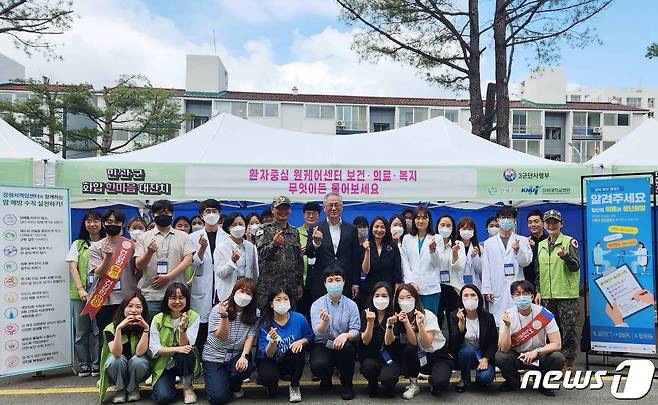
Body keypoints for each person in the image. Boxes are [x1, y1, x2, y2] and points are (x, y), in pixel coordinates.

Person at [495, 280, 565, 396]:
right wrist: (507, 326)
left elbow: (557, 344)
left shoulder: (544, 314)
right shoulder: (508, 315)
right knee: (500, 356)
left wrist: (536, 352)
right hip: (518, 356)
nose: (521, 297)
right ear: (512, 297)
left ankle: (542, 383)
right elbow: (503, 348)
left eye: (525, 293)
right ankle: (513, 382)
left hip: (538, 354)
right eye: (517, 294)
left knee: (558, 357)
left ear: (532, 296)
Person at [203, 278, 259, 405]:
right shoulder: (219, 309)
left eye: (249, 293)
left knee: (246, 366)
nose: (245, 295)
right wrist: (224, 317)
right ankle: (218, 383)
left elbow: (250, 336)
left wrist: (244, 356)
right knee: (218, 399)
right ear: (234, 291)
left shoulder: (255, 313)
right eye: (242, 291)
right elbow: (222, 337)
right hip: (214, 357)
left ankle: (234, 385)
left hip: (236, 355)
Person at [536, 209, 580, 369]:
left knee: (568, 329)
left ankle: (568, 362)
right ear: (544, 224)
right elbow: (538, 271)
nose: (551, 225)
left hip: (566, 295)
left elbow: (575, 266)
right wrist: (539, 290)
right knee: (549, 329)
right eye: (548, 222)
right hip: (547, 295)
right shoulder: (541, 245)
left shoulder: (569, 242)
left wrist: (566, 256)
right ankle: (552, 361)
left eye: (555, 222)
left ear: (561, 224)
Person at [135, 200, 195, 317]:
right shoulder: (143, 237)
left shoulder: (183, 236)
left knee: (177, 331)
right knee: (152, 331)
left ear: (173, 215)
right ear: (153, 215)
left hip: (177, 295)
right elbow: (138, 265)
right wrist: (149, 252)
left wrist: (168, 277)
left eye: (167, 212)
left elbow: (188, 260)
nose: (163, 215)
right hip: (152, 294)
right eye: (159, 212)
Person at [309, 265, 361, 400]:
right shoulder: (317, 304)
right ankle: (326, 379)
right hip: (324, 344)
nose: (334, 283)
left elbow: (356, 331)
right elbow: (316, 331)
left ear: (344, 282)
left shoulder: (351, 305)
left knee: (349, 349)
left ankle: (347, 384)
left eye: (338, 279)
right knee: (318, 364)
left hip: (343, 345)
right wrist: (324, 323)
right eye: (330, 280)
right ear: (325, 283)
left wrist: (346, 335)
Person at [394, 284, 453, 399]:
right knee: (409, 348)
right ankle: (413, 383)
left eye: (409, 297)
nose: (405, 301)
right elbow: (413, 342)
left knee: (439, 384)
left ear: (415, 299)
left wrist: (420, 324)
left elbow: (427, 343)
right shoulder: (398, 318)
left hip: (438, 354)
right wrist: (406, 323)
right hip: (418, 355)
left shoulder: (428, 315)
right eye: (401, 298)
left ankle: (432, 380)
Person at [88, 209, 142, 336]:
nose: (113, 225)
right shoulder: (95, 247)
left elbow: (139, 271)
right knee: (108, 338)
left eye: (117, 222)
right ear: (104, 223)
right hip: (105, 300)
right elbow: (99, 274)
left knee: (129, 337)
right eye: (109, 221)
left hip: (128, 300)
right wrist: (107, 257)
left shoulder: (131, 246)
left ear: (122, 225)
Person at [257, 288, 314, 402]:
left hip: (290, 359)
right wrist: (272, 341)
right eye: (278, 299)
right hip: (271, 360)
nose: (282, 302)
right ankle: (271, 385)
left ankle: (294, 386)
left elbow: (309, 336)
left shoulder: (299, 318)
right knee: (269, 381)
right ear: (271, 304)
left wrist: (301, 341)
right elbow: (268, 354)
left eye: (285, 299)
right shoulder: (266, 324)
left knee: (298, 350)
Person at [66, 210, 104, 377]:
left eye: (96, 221)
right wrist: (81, 289)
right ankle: (83, 364)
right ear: (84, 225)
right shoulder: (78, 244)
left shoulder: (106, 243)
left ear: (101, 224)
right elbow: (73, 267)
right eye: (88, 221)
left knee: (97, 330)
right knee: (81, 332)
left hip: (101, 294)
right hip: (79, 295)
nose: (92, 224)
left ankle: (96, 364)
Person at [149, 283, 201, 404]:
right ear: (166, 300)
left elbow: (188, 345)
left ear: (186, 300)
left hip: (183, 361)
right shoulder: (158, 318)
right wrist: (176, 349)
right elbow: (154, 349)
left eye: (181, 297)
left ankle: (187, 386)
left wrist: (182, 329)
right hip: (164, 364)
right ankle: (168, 381)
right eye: (173, 298)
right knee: (164, 398)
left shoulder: (193, 316)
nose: (177, 301)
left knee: (185, 354)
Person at [481, 205, 533, 326]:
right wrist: (487, 289)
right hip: (497, 287)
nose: (506, 220)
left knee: (519, 322)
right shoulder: (489, 243)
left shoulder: (522, 240)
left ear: (514, 220)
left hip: (517, 285)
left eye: (509, 217)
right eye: (502, 217)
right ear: (498, 220)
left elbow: (526, 262)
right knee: (499, 323)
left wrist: (518, 250)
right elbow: (486, 267)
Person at [305, 193, 361, 304]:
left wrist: (356, 282)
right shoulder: (316, 228)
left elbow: (356, 257)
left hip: (345, 281)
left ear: (342, 207)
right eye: (330, 205)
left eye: (337, 205)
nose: (334, 208)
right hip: (322, 281)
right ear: (324, 208)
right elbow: (309, 253)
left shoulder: (352, 229)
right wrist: (316, 242)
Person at [189, 199, 229, 355]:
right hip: (202, 286)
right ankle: (199, 361)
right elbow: (192, 263)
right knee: (201, 326)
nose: (211, 214)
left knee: (221, 322)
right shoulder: (193, 237)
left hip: (222, 285)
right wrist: (202, 248)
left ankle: (218, 358)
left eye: (215, 211)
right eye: (207, 211)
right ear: (201, 215)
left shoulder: (227, 237)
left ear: (220, 214)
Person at [99, 292, 151, 403]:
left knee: (139, 360)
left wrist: (146, 329)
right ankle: (120, 390)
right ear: (123, 308)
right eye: (130, 306)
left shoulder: (146, 326)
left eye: (138, 307)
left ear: (143, 309)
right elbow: (116, 353)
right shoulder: (111, 328)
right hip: (116, 370)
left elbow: (139, 352)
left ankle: (133, 389)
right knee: (115, 359)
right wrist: (118, 329)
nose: (133, 310)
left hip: (137, 370)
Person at [256, 196, 304, 310]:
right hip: (269, 287)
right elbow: (261, 255)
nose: (283, 212)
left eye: (286, 208)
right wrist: (274, 245)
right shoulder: (263, 229)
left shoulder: (294, 232)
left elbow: (298, 259)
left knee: (289, 318)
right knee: (267, 320)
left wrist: (299, 283)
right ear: (273, 210)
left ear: (290, 210)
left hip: (290, 287)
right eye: (279, 208)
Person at [448, 284, 497, 393]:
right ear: (461, 299)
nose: (469, 298)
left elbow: (493, 342)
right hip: (464, 354)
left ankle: (480, 378)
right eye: (466, 296)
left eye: (473, 295)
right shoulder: (454, 316)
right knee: (468, 351)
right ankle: (465, 379)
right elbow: (454, 344)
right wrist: (461, 324)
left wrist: (486, 358)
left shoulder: (488, 317)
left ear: (478, 298)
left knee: (485, 378)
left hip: (482, 354)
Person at [359, 282, 401, 398]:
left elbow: (388, 342)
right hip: (371, 356)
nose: (380, 299)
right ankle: (372, 382)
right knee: (369, 367)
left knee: (387, 380)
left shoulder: (394, 315)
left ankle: (389, 384)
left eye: (384, 296)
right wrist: (370, 322)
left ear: (390, 298)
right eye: (377, 295)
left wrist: (389, 325)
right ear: (372, 297)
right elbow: (365, 340)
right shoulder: (366, 313)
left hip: (390, 357)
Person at [399, 206, 441, 314]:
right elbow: (405, 262)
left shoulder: (437, 238)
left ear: (429, 220)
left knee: (430, 321)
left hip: (430, 289)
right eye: (417, 218)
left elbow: (438, 264)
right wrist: (411, 282)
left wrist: (433, 251)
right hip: (412, 287)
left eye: (424, 218)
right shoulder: (407, 238)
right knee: (412, 319)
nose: (420, 221)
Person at [214, 213, 259, 303]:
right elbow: (220, 273)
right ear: (228, 228)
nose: (238, 227)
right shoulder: (221, 247)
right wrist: (232, 262)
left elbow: (254, 271)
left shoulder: (250, 246)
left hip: (247, 292)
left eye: (241, 224)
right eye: (234, 225)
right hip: (228, 293)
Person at [361, 216, 403, 303]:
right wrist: (367, 251)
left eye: (382, 227)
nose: (379, 230)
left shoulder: (393, 247)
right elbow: (365, 271)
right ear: (371, 228)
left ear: (387, 229)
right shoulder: (365, 246)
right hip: (370, 291)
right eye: (376, 226)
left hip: (388, 291)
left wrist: (396, 294)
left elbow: (397, 273)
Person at [434, 214, 465, 328]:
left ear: (453, 228)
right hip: (436, 287)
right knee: (436, 320)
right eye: (442, 225)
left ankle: (454, 345)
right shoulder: (433, 243)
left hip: (453, 287)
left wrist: (455, 254)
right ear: (437, 226)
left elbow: (460, 267)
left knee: (453, 322)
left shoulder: (458, 244)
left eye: (448, 225)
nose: (445, 228)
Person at [297, 201, 321, 316]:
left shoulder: (324, 232)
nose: (311, 216)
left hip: (318, 281)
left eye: (314, 213)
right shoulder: (296, 232)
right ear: (303, 215)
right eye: (308, 213)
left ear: (319, 215)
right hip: (301, 281)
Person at [457, 217, 483, 290]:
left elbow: (480, 270)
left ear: (473, 231)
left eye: (469, 229)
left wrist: (475, 257)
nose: (466, 231)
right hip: (458, 286)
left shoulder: (479, 248)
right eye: (464, 229)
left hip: (475, 286)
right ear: (459, 230)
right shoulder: (454, 246)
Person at [523, 210, 547, 286]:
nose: (533, 225)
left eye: (536, 221)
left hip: (547, 282)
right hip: (529, 283)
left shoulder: (549, 240)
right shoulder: (524, 241)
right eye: (530, 222)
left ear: (543, 223)